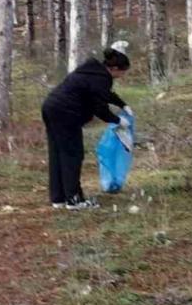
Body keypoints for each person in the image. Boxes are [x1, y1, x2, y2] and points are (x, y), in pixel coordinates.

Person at [41, 45, 133, 210]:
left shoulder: (93, 71)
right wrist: (118, 120)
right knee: (72, 155)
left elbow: (105, 94)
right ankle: (74, 200)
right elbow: (100, 108)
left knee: (57, 153)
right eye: (122, 72)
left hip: (51, 107)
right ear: (114, 68)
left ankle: (58, 198)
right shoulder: (102, 78)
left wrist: (122, 104)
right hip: (66, 113)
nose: (122, 76)